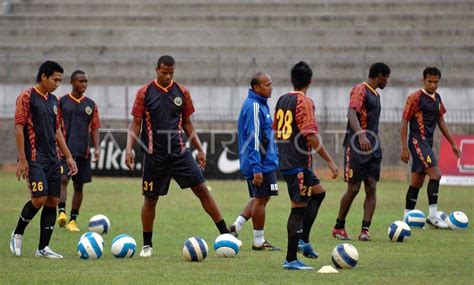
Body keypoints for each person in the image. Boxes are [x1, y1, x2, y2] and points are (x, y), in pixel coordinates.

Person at [125, 55, 236, 257]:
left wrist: (199, 149)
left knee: (202, 189)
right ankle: (147, 245)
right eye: (164, 72)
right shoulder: (144, 92)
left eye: (171, 73)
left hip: (179, 153)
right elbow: (136, 123)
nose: (168, 76)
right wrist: (129, 148)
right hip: (154, 155)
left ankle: (225, 234)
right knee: (151, 199)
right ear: (156, 70)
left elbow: (187, 123)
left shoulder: (182, 92)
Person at [10, 61, 78, 258]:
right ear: (43, 77)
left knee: (52, 200)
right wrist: (22, 160)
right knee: (39, 198)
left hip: (52, 158)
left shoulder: (53, 101)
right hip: (34, 158)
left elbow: (57, 130)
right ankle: (18, 233)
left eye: (60, 80)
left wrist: (68, 156)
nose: (58, 83)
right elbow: (19, 127)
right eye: (55, 79)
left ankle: (43, 248)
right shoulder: (27, 97)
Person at [274, 61, 338, 270]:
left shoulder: (282, 99)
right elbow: (310, 136)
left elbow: (277, 130)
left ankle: (304, 240)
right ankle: (291, 259)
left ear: (293, 80)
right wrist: (329, 160)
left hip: (290, 160)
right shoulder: (304, 102)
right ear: (310, 81)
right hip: (297, 163)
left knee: (318, 194)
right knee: (298, 208)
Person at [332, 62, 391, 241]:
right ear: (380, 75)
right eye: (387, 77)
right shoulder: (360, 89)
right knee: (354, 188)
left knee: (371, 186)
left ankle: (365, 230)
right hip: (357, 147)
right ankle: (338, 227)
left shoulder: (376, 95)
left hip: (373, 149)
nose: (387, 81)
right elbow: (351, 113)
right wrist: (361, 136)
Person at [401, 67, 461, 228]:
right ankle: (433, 216)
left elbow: (440, 121)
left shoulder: (437, 98)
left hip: (427, 143)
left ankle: (406, 217)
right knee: (436, 175)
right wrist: (404, 148)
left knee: (416, 182)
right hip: (417, 141)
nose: (433, 85)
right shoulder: (415, 97)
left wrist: (453, 143)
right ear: (423, 80)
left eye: (436, 82)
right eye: (430, 81)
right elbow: (404, 120)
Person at [230, 72, 280, 251]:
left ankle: (237, 225)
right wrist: (257, 167)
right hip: (260, 163)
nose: (270, 88)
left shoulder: (259, 104)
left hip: (264, 162)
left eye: (271, 84)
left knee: (262, 197)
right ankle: (259, 241)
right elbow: (254, 138)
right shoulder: (254, 107)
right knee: (260, 199)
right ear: (256, 88)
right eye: (266, 85)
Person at [56, 70, 101, 232]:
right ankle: (61, 213)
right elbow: (55, 126)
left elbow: (95, 128)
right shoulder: (61, 102)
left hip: (83, 151)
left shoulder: (91, 105)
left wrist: (97, 148)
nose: (84, 84)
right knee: (62, 179)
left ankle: (73, 220)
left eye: (86, 82)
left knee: (79, 186)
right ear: (72, 82)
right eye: (81, 81)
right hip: (64, 151)